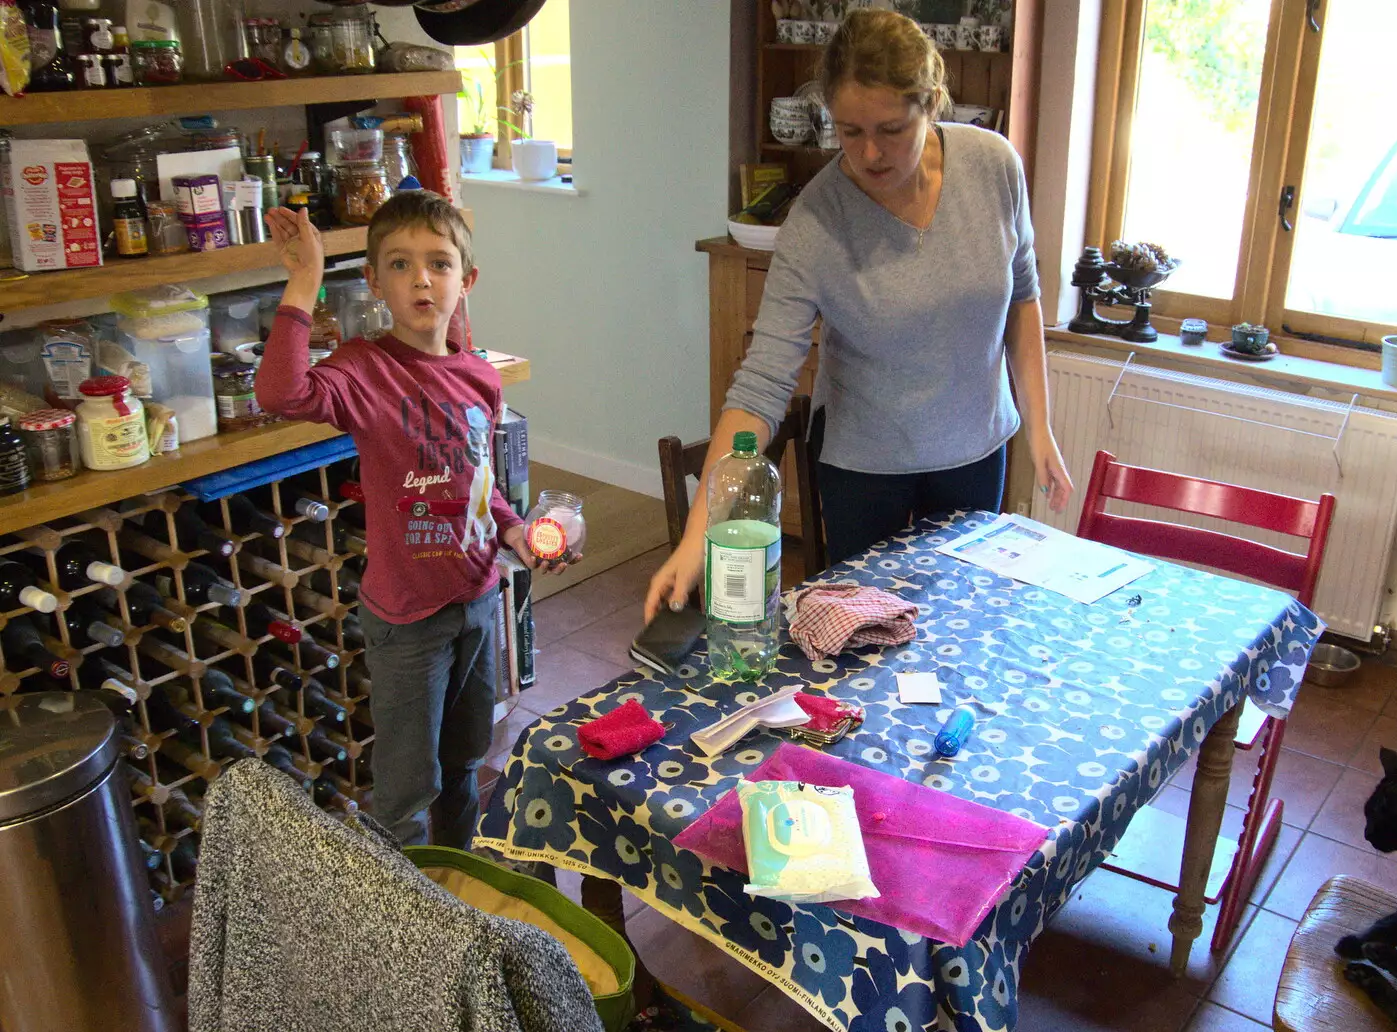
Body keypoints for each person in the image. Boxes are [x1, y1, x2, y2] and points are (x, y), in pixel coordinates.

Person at [645, 8, 1071, 621]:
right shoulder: (817, 219)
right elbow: (762, 384)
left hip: (976, 455)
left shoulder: (995, 166)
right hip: (864, 469)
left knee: (960, 627)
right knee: (865, 643)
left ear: (931, 103)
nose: (869, 153)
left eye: (891, 128)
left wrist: (1040, 426)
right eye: (849, 132)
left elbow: (1022, 300)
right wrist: (697, 534)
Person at [258, 191, 573, 849]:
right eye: (400, 265)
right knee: (406, 790)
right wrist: (304, 279)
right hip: (407, 623)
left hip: (479, 604)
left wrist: (517, 531)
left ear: (467, 280)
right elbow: (282, 393)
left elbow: (483, 487)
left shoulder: (479, 377)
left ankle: (455, 889)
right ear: (374, 281)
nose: (422, 279)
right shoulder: (363, 369)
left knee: (465, 765)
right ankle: (404, 932)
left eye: (438, 262)